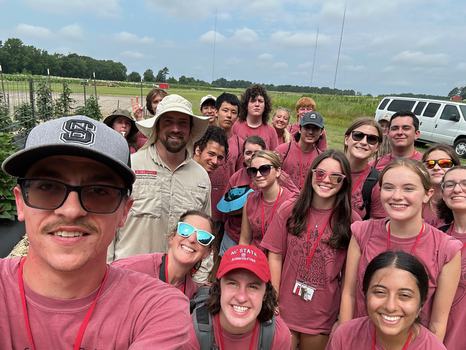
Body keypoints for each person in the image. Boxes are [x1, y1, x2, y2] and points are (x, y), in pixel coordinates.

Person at [0, 115, 195, 348]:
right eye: (48, 187)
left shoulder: (157, 308)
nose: (71, 211)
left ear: (124, 211)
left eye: (99, 191)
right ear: (20, 202)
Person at [339, 159, 462, 342]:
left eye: (408, 189)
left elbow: (438, 321)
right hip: (361, 340)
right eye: (388, 188)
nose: (397, 196)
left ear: (427, 194)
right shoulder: (362, 232)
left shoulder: (447, 249)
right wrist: (345, 338)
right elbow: (349, 294)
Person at [261, 150, 360, 350]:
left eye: (336, 177)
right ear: (312, 174)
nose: (326, 180)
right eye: (320, 173)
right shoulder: (289, 209)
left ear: (345, 182)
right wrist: (273, 300)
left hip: (321, 315)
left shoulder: (352, 222)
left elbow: (351, 280)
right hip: (285, 309)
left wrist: (343, 320)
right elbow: (276, 255)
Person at [108, 94, 211, 261]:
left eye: (182, 123)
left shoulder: (201, 177)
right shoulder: (130, 166)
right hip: (131, 278)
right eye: (168, 121)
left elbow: (203, 235)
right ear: (157, 127)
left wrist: (199, 279)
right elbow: (109, 226)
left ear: (190, 129)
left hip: (178, 281)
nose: (176, 129)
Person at [328, 251, 447, 350]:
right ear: (365, 295)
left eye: (404, 295)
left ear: (421, 304)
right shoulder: (345, 336)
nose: (390, 307)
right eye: (380, 292)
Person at [190, 245, 292, 349]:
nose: (241, 298)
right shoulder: (191, 333)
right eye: (233, 283)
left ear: (265, 293)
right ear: (219, 288)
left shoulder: (278, 336)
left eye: (252, 286)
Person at [113, 210, 216, 299]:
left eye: (203, 237)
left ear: (207, 252)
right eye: (185, 230)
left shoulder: (192, 292)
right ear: (172, 236)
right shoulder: (128, 270)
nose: (192, 239)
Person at [239, 150, 294, 249]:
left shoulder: (291, 202)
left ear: (278, 171)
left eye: (264, 169)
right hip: (254, 259)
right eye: (253, 171)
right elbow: (244, 240)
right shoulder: (250, 200)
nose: (258, 175)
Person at [436, 166, 466, 349]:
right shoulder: (438, 237)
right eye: (450, 184)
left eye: (465, 183)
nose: (457, 189)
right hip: (440, 339)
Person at [209, 92, 243, 223]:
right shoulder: (203, 138)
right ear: (216, 112)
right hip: (204, 200)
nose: (229, 115)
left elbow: (240, 176)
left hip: (225, 205)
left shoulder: (240, 144)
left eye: (234, 112)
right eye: (225, 110)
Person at [343, 117, 386, 219]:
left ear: (377, 147)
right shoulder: (327, 168)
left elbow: (377, 225)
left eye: (372, 139)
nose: (363, 142)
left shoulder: (377, 183)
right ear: (346, 139)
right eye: (358, 135)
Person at [275, 111, 326, 189]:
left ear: (321, 132)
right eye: (307, 127)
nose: (310, 132)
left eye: (315, 128)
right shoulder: (282, 150)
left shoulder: (321, 158)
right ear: (299, 128)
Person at [421, 144, 460, 228]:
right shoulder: (416, 198)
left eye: (445, 163)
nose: (436, 167)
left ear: (456, 167)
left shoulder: (462, 201)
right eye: (430, 164)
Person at [232, 84, 278, 150]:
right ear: (246, 105)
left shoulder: (271, 131)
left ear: (265, 106)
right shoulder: (235, 127)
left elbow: (274, 158)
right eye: (253, 101)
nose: (257, 104)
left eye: (260, 101)